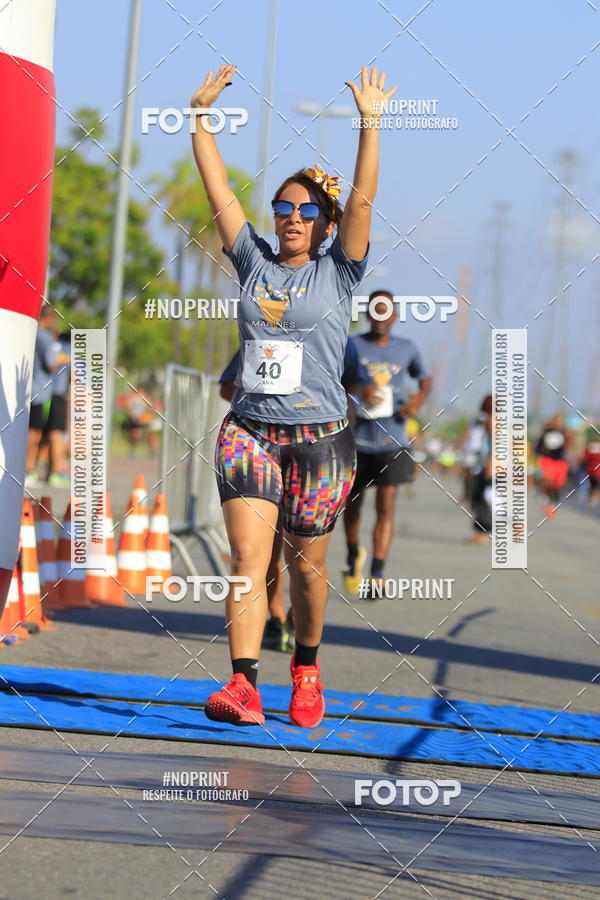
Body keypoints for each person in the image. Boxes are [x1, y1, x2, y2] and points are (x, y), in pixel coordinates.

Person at [192, 63, 395, 727]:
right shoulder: (252, 261)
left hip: (321, 442)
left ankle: (306, 665)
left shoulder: (340, 270)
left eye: (307, 211)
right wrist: (199, 118)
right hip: (249, 432)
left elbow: (362, 200)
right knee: (249, 559)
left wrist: (370, 123)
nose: (292, 218)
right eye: (283, 208)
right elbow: (218, 190)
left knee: (307, 568)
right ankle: (243, 684)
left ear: (325, 223)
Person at [218, 340, 376, 651]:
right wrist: (265, 397)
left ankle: (299, 619)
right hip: (262, 443)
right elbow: (227, 387)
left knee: (304, 559)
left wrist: (342, 408)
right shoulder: (264, 334)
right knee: (260, 551)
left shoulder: (340, 341)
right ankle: (275, 618)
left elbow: (358, 387)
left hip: (320, 449)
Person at [342, 292, 432, 596]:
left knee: (387, 505)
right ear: (368, 314)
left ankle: (378, 571)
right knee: (352, 504)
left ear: (395, 316)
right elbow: (335, 379)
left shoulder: (407, 348)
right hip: (356, 439)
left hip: (393, 439)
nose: (381, 316)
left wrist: (417, 401)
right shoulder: (352, 344)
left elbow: (425, 379)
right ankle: (354, 553)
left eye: (386, 311)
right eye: (375, 311)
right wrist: (358, 391)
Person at [25, 306, 62, 487]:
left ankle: (28, 469)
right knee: (35, 433)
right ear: (50, 318)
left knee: (32, 431)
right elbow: (52, 365)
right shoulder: (45, 337)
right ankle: (28, 470)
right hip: (42, 392)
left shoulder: (30, 333)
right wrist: (64, 361)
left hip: (30, 389)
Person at [39, 329, 71, 487]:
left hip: (44, 393)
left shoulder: (53, 345)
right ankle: (56, 472)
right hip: (57, 394)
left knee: (45, 434)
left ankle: (50, 470)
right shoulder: (68, 349)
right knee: (57, 434)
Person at [466, 395, 493, 546]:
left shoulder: (492, 421)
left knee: (484, 500)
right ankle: (479, 533)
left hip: (489, 465)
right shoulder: (487, 420)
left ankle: (482, 534)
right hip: (482, 464)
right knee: (479, 499)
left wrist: (491, 462)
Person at [535, 414, 571, 519]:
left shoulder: (564, 432)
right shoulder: (547, 431)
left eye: (560, 421)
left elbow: (569, 445)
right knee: (546, 483)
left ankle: (552, 506)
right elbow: (539, 447)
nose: (558, 423)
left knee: (557, 486)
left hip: (560, 462)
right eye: (556, 420)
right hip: (548, 460)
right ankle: (546, 505)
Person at [580, 431, 600, 505]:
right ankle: (594, 498)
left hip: (590, 470)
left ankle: (592, 498)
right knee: (595, 485)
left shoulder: (589, 448)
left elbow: (585, 458)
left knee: (592, 485)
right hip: (596, 472)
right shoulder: (591, 448)